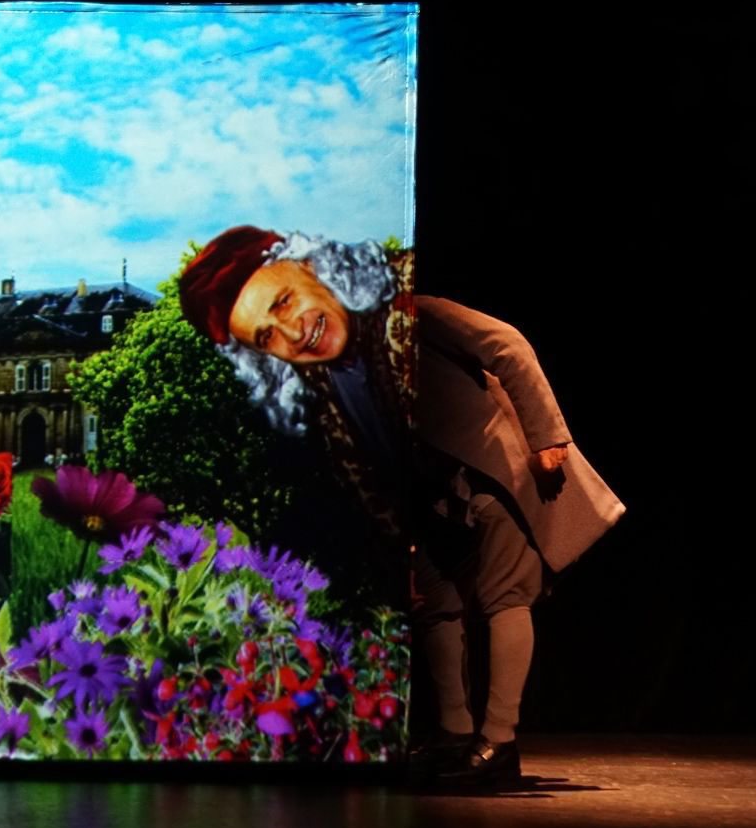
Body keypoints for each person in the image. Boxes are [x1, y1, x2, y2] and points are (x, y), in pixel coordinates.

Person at [178, 226, 624, 787]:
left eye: (285, 301)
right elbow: (367, 477)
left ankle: (499, 743)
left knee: (504, 597)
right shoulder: (322, 395)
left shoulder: (411, 310)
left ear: (309, 266)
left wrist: (546, 436)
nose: (293, 330)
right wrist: (397, 547)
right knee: (434, 605)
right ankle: (455, 736)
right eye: (267, 336)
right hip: (430, 507)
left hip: (491, 473)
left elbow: (505, 344)